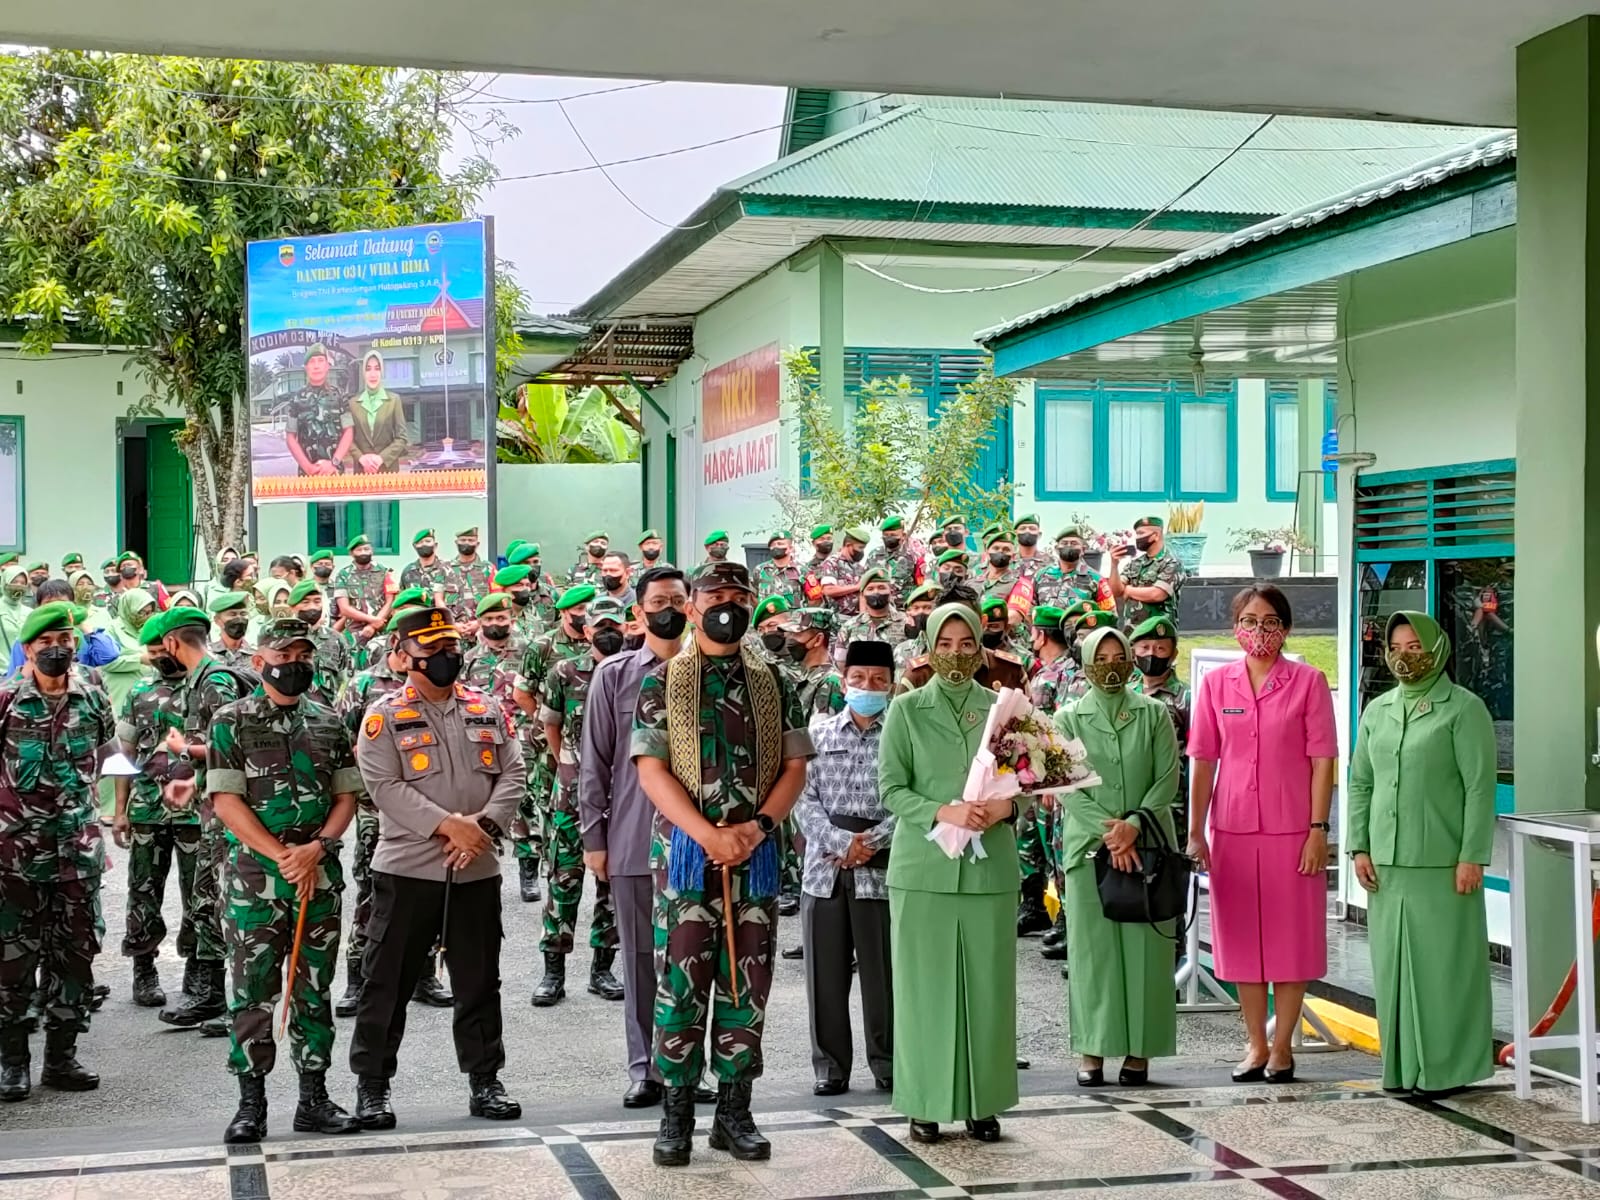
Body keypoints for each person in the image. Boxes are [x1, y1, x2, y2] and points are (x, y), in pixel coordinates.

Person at [632, 561, 814, 1167]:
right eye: (715, 595)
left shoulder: (777, 681)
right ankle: (677, 1113)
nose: (726, 605)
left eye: (739, 595)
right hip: (687, 854)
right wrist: (707, 833)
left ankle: (735, 1111)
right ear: (692, 606)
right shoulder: (664, 681)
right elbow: (651, 769)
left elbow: (794, 767)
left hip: (755, 852)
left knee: (748, 980)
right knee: (681, 982)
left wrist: (756, 829)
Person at [349, 606, 525, 1127]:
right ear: (404, 656)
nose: (446, 660)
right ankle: (373, 1087)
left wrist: (483, 830)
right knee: (388, 983)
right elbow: (384, 787)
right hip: (408, 868)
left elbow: (513, 772)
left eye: (451, 650)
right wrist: (453, 826)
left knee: (479, 980)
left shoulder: (486, 708)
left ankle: (485, 1081)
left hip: (476, 866)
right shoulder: (383, 715)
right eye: (432, 653)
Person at [208, 617, 362, 1143]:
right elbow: (226, 801)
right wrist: (282, 855)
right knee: (252, 992)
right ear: (259, 661)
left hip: (317, 874)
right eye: (284, 654)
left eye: (303, 655)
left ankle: (313, 1099)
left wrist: (318, 848)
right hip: (256, 878)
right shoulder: (231, 720)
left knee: (313, 989)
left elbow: (346, 795)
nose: (294, 664)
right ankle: (250, 1103)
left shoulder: (327, 721)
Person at [877, 601, 1017, 1144]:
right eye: (945, 643)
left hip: (989, 872)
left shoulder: (1005, 708)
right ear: (929, 649)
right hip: (924, 871)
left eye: (966, 644)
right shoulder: (906, 710)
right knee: (924, 991)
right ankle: (926, 1102)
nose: (956, 654)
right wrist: (944, 810)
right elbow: (892, 788)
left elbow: (1028, 780)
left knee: (988, 990)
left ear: (981, 648)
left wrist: (1009, 807)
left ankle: (984, 1102)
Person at [580, 565, 717, 1109]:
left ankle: (691, 1067)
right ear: (638, 613)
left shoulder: (712, 670)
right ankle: (646, 1068)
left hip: (700, 841)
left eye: (677, 600)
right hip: (636, 839)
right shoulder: (614, 675)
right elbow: (596, 763)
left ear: (691, 608)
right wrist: (595, 839)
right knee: (640, 958)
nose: (668, 608)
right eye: (657, 600)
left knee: (694, 960)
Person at [1188, 585, 1336, 1084]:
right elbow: (1204, 761)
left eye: (1269, 621)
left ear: (1286, 628)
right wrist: (1196, 830)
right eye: (1249, 621)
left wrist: (1319, 829)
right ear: (1234, 628)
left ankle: (1282, 1047)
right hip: (1231, 829)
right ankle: (1253, 1044)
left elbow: (1322, 763)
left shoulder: (1309, 682)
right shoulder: (1216, 686)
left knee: (1290, 940)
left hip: (1293, 829)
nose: (1259, 631)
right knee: (1242, 942)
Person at [1347, 611, 1495, 1096]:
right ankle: (1402, 1069)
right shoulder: (1379, 710)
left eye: (1415, 646)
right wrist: (1359, 845)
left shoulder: (1463, 708)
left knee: (1444, 971)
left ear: (1436, 648)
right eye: (1397, 646)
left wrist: (1472, 854)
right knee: (1393, 971)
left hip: (1443, 863)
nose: (1405, 656)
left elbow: (1478, 787)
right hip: (1386, 865)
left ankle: (1447, 1069)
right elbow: (1361, 782)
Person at [1054, 626, 1181, 1087]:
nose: (1111, 665)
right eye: (1100, 657)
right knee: (1094, 953)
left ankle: (1139, 1050)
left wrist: (1134, 826)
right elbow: (1065, 783)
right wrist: (1112, 834)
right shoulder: (1067, 718)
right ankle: (1092, 1048)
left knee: (1146, 951)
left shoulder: (1153, 714)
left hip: (1147, 848)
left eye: (1118, 656)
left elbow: (1168, 777)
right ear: (1085, 664)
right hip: (1090, 850)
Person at [0, 603, 115, 1103]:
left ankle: (62, 1057)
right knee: (12, 960)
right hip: (15, 857)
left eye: (64, 639)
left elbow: (110, 756)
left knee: (75, 956)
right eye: (45, 643)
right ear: (27, 650)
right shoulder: (6, 699)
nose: (57, 649)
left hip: (78, 851)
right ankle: (13, 1061)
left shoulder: (92, 694)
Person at [796, 640, 897, 1096]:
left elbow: (909, 801)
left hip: (881, 865)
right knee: (825, 972)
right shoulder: (818, 733)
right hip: (824, 866)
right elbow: (802, 798)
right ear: (843, 681)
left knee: (883, 973)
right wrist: (841, 842)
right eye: (859, 679)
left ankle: (889, 1060)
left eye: (878, 680)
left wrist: (870, 842)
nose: (868, 687)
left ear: (892, 685)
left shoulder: (901, 734)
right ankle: (830, 1065)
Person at [531, 596, 625, 1007]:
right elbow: (550, 725)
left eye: (616, 625)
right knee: (564, 880)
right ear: (585, 631)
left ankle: (602, 968)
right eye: (601, 625)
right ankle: (553, 972)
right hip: (572, 795)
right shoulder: (563, 672)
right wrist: (569, 764)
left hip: (621, 796)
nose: (609, 632)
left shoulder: (634, 671)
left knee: (613, 885)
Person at [333, 609, 419, 1019]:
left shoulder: (434, 683)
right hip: (375, 807)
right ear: (396, 646)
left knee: (427, 892)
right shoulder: (364, 684)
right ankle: (357, 977)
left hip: (427, 809)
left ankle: (424, 976)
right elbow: (339, 741)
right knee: (372, 889)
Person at [113, 615, 199, 1010]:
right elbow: (125, 755)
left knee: (200, 894)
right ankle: (143, 967)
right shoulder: (139, 693)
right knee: (144, 891)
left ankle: (198, 966)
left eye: (165, 649)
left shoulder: (207, 688)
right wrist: (120, 810)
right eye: (154, 653)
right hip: (148, 807)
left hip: (196, 812)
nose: (162, 657)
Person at [511, 585, 594, 902]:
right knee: (548, 807)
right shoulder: (543, 646)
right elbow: (521, 694)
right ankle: (547, 871)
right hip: (551, 745)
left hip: (593, 741)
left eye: (589, 608)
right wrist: (548, 724)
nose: (585, 615)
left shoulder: (597, 641)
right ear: (564, 612)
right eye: (579, 610)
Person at [1027, 606, 1076, 958]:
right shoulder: (1063, 672)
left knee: (1058, 848)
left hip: (1053, 779)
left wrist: (1047, 783)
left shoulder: (1049, 677)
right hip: (1058, 778)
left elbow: (1044, 734)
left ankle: (1068, 923)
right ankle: (1063, 920)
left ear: (1040, 635)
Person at [1130, 616, 1191, 835]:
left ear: (1173, 654)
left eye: (1160, 648)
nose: (1151, 654)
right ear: (1133, 652)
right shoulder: (1124, 694)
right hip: (1129, 801)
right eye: (1144, 647)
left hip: (1172, 806)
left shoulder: (1187, 698)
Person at [285, 343, 354, 477]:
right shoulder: (296, 399)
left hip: (335, 473)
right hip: (307, 475)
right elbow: (290, 437)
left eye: (321, 361)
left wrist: (334, 463)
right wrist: (308, 468)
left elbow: (348, 432)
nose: (316, 366)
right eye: (312, 362)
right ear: (306, 367)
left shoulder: (340, 396)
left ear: (328, 365)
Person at [1109, 515, 1187, 631]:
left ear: (1155, 535)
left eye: (1141, 533)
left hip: (1158, 632)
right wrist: (1114, 565)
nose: (1137, 538)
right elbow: (1116, 591)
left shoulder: (1171, 562)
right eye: (1137, 534)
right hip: (1132, 631)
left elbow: (1157, 594)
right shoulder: (1135, 563)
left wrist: (1129, 590)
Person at [344, 351, 409, 475]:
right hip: (362, 472)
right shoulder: (352, 403)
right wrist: (361, 458)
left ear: (382, 372)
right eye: (368, 369)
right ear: (363, 373)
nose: (372, 374)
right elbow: (347, 439)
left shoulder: (394, 401)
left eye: (377, 368)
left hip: (388, 472)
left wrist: (381, 458)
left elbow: (402, 437)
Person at [290, 580, 352, 708]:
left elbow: (345, 680)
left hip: (327, 714)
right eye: (305, 602)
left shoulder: (336, 638)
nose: (312, 607)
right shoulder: (282, 637)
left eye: (317, 601)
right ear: (292, 606)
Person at [332, 536, 394, 659]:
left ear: (372, 551)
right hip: (354, 633)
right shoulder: (343, 575)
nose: (364, 553)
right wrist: (373, 620)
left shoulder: (385, 572)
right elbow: (344, 608)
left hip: (381, 631)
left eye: (367, 549)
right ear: (351, 553)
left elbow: (391, 600)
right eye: (359, 550)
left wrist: (373, 625)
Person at [779, 608, 846, 717]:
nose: (789, 640)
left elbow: (821, 731)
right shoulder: (807, 676)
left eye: (796, 635)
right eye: (789, 634)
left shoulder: (831, 683)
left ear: (818, 639)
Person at [1035, 526, 1115, 611]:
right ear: (1056, 549)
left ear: (1083, 549)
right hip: (1045, 624)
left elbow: (1110, 614)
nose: (1069, 546)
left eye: (1074, 543)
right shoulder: (1042, 575)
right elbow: (1029, 609)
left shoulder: (1096, 579)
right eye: (1064, 543)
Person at [838, 568, 906, 649]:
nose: (876, 592)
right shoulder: (849, 627)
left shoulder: (906, 622)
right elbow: (840, 660)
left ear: (891, 592)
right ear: (862, 595)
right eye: (870, 589)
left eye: (881, 588)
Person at [865, 516, 921, 602]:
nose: (889, 538)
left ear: (903, 535)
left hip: (903, 609)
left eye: (893, 535)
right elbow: (865, 583)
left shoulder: (913, 557)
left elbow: (920, 585)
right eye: (886, 535)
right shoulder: (873, 555)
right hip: (879, 607)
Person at [819, 526, 870, 619]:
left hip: (856, 619)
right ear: (848, 545)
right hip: (837, 619)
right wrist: (856, 587)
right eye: (860, 548)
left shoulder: (859, 567)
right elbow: (828, 590)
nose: (862, 551)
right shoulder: (832, 562)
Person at [400, 529, 457, 610]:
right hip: (416, 619)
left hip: (442, 619)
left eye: (428, 541)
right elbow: (402, 599)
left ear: (435, 545)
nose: (424, 544)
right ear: (414, 547)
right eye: (420, 542)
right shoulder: (408, 572)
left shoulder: (448, 569)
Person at [451, 528, 494, 619]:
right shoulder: (446, 569)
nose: (466, 543)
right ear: (456, 543)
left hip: (482, 627)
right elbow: (439, 602)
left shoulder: (488, 569)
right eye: (463, 540)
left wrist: (479, 623)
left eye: (471, 540)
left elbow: (495, 598)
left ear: (477, 544)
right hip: (452, 628)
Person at [752, 532, 804, 606]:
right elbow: (753, 598)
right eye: (772, 545)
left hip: (793, 617)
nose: (775, 547)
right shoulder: (759, 570)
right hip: (768, 617)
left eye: (780, 544)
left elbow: (813, 601)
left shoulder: (802, 571)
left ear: (790, 548)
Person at [209, 593, 256, 672]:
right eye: (232, 614)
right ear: (217, 620)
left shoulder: (256, 654)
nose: (239, 619)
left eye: (243, 614)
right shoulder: (209, 654)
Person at [980, 528, 1021, 605]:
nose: (1000, 552)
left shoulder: (1019, 585)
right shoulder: (971, 583)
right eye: (996, 548)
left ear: (1013, 557)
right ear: (987, 554)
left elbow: (1014, 615)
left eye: (1006, 549)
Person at [1011, 513, 1046, 578]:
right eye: (1022, 528)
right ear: (1016, 533)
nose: (1027, 531)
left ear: (1039, 534)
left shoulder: (1051, 561)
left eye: (1032, 528)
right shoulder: (1008, 561)